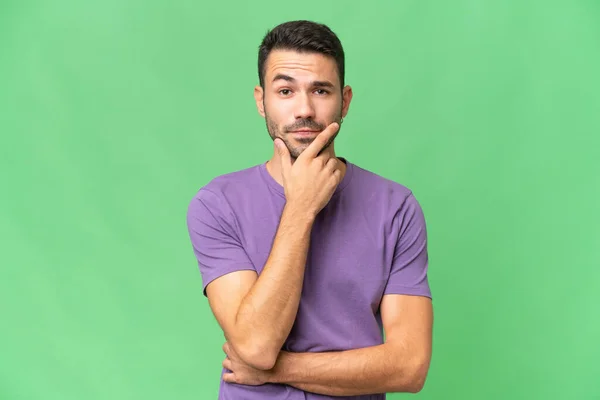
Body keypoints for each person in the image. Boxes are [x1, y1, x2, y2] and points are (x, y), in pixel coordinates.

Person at [186, 19, 433, 399]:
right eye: (285, 90)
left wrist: (275, 371)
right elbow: (256, 345)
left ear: (344, 100)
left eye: (320, 90)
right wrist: (300, 208)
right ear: (261, 100)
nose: (304, 109)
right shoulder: (217, 205)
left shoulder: (396, 207)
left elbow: (409, 367)